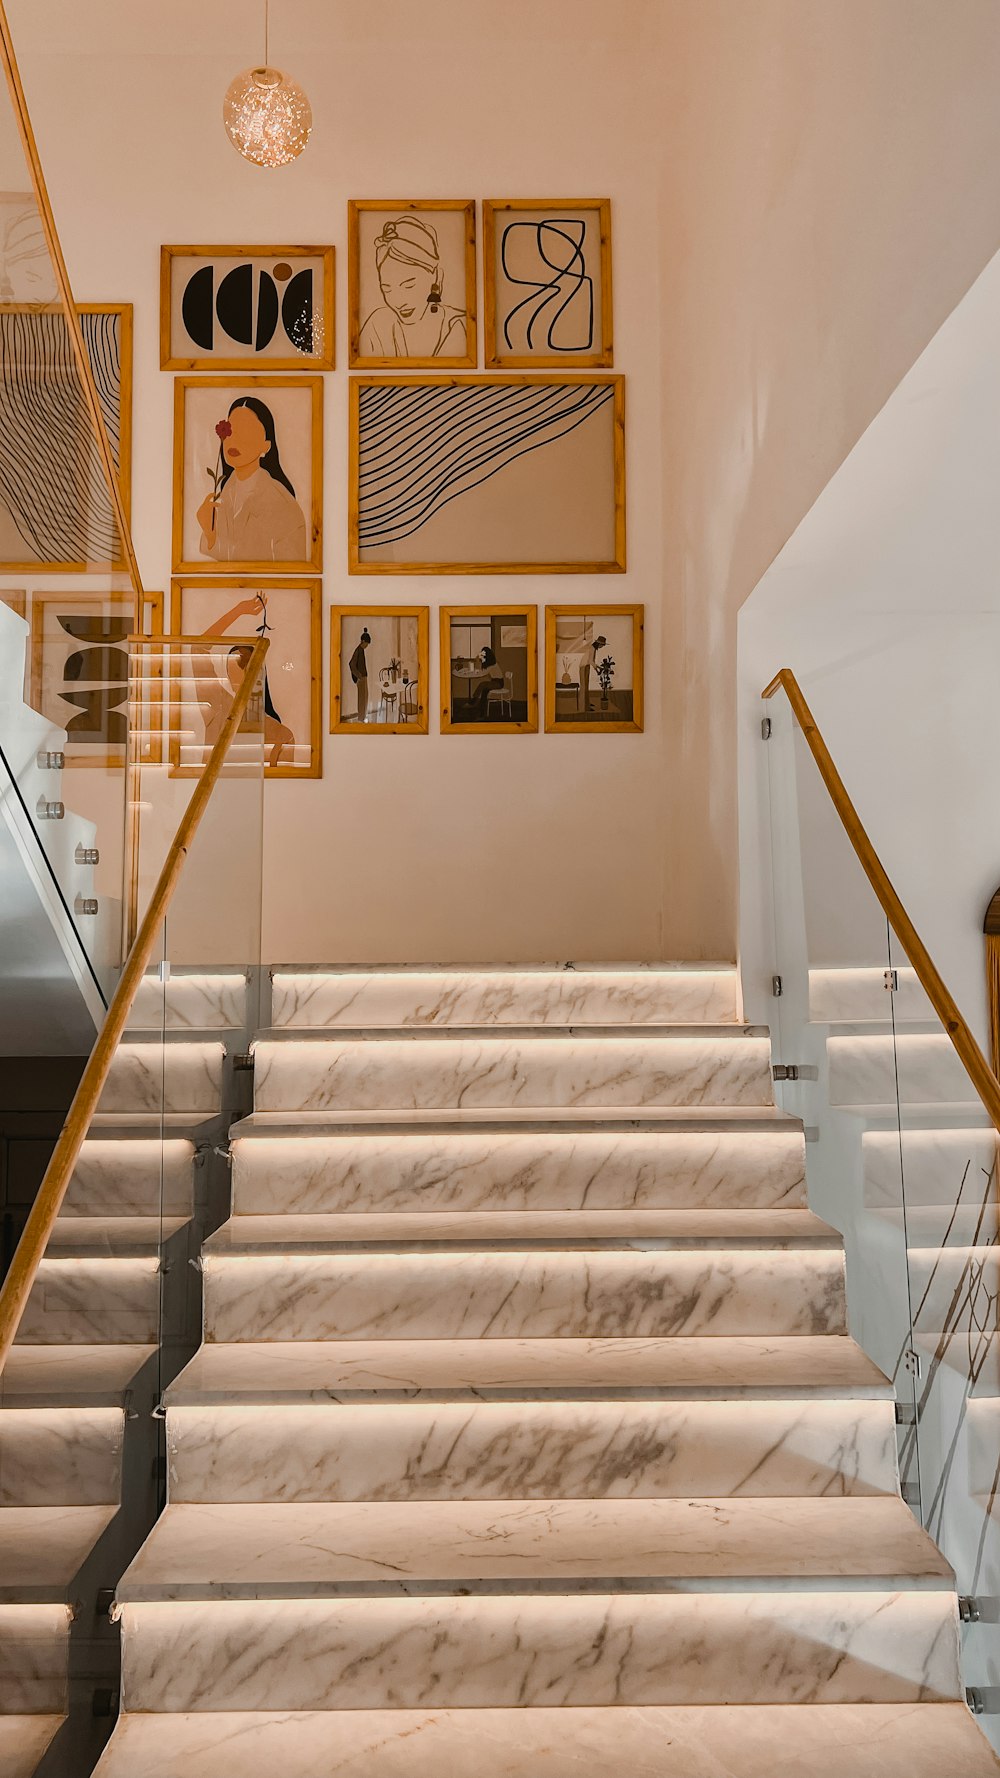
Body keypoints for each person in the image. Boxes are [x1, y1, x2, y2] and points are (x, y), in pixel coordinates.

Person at [197, 397, 307, 564]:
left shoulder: (285, 507)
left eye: (247, 431)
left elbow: (291, 575)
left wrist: (212, 539)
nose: (234, 440)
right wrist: (209, 533)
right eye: (231, 431)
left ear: (266, 446)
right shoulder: (223, 496)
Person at [190, 592, 294, 769]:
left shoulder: (282, 735)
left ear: (259, 678)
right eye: (233, 674)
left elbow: (281, 785)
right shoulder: (219, 706)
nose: (237, 682)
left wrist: (238, 611)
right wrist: (237, 611)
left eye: (245, 674)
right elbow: (198, 648)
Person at [359, 215, 467, 360]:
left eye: (409, 285)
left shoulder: (461, 325)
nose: (398, 302)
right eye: (387, 289)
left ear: (435, 276)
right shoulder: (378, 324)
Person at [467, 644, 505, 720]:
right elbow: (483, 670)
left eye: (483, 653)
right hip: (494, 682)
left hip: (498, 683)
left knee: (482, 685)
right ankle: (481, 712)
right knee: (484, 690)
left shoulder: (492, 664)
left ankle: (474, 702)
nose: (482, 654)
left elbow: (483, 673)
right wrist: (481, 661)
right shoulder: (490, 662)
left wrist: (479, 660)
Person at [348, 627, 372, 723]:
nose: (366, 646)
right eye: (366, 644)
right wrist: (358, 676)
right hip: (361, 678)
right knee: (362, 698)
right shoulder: (358, 650)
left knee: (365, 697)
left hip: (363, 677)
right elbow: (351, 664)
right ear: (363, 641)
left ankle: (363, 717)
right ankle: (361, 718)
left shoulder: (361, 650)